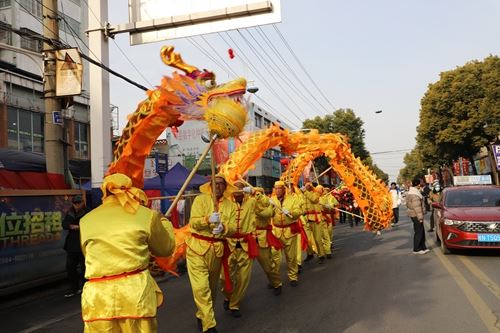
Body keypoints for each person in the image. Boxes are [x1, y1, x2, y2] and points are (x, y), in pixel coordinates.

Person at [79, 173, 175, 333]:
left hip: (98, 300)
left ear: (105, 192)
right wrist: (164, 222)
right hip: (135, 296)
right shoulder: (146, 216)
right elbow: (165, 248)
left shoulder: (86, 220)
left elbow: (88, 256)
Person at [186, 174, 237, 333]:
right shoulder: (200, 200)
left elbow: (234, 228)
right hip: (197, 249)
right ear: (210, 185)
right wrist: (207, 219)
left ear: (226, 186)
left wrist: (224, 228)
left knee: (211, 288)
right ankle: (209, 325)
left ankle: (203, 314)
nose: (219, 186)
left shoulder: (231, 206)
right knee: (201, 288)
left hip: (217, 251)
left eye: (222, 184)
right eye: (216, 183)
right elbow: (193, 222)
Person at [221, 181, 267, 318]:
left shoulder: (252, 202)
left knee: (243, 278)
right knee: (224, 278)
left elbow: (265, 203)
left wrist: (254, 190)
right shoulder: (226, 204)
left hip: (246, 245)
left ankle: (234, 304)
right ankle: (228, 296)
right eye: (235, 189)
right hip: (229, 244)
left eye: (241, 189)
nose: (238, 192)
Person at [270, 181, 302, 286]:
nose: (278, 190)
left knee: (291, 256)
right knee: (274, 256)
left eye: (280, 188)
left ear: (284, 189)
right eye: (276, 188)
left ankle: (293, 276)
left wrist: (290, 212)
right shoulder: (271, 200)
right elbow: (266, 212)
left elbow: (298, 211)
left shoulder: (292, 199)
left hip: (289, 231)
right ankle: (274, 279)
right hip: (276, 231)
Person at [62, 194, 89, 298]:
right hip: (72, 245)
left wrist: (79, 227)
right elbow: (64, 224)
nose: (77, 205)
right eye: (75, 203)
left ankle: (84, 287)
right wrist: (70, 226)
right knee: (70, 268)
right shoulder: (70, 212)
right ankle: (73, 288)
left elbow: (91, 225)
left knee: (84, 268)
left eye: (79, 202)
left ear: (83, 202)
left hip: (83, 244)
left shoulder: (88, 212)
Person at [406, 178, 429, 254]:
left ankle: (423, 247)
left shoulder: (412, 192)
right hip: (416, 215)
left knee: (421, 231)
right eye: (420, 184)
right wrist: (420, 218)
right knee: (418, 232)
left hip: (414, 214)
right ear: (418, 184)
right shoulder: (415, 194)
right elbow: (417, 207)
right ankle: (417, 249)